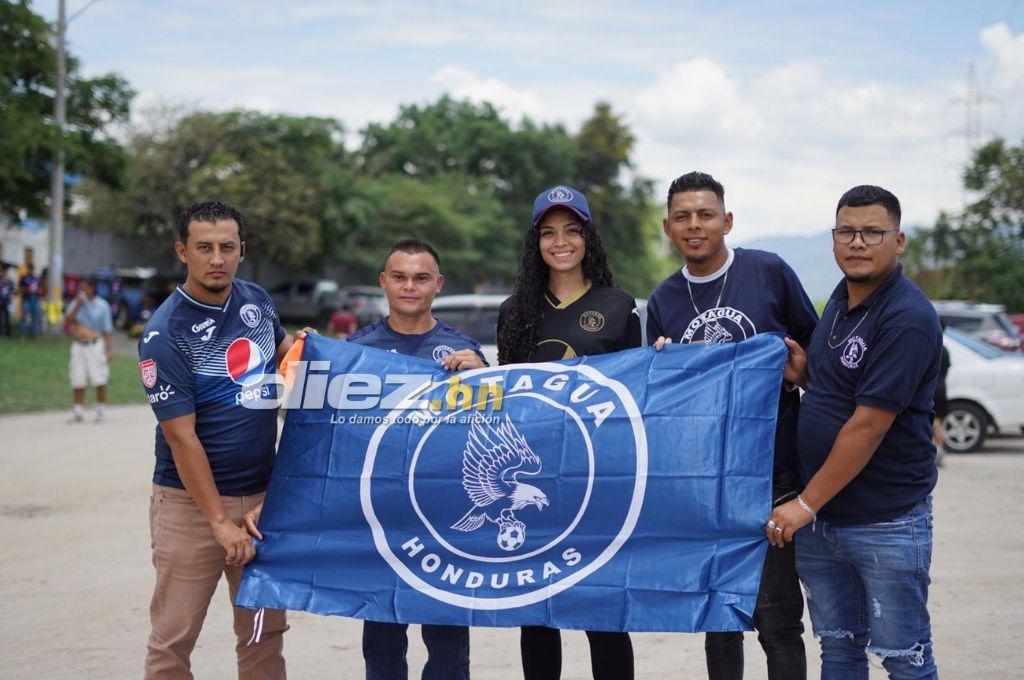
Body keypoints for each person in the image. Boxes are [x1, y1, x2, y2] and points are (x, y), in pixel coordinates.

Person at [246, 238, 485, 680]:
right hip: (376, 522)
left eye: (420, 278)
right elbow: (317, 435)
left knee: (450, 647)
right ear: (383, 282)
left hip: (442, 521)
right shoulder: (354, 350)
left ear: (438, 284)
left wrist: (484, 377)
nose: (409, 286)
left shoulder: (466, 350)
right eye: (399, 277)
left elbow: (487, 430)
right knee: (382, 646)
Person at [647, 172, 815, 680]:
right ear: (668, 227)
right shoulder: (664, 300)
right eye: (682, 217)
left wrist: (802, 372)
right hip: (704, 482)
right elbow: (663, 402)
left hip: (773, 473)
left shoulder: (768, 271)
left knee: (777, 618)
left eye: (705, 214)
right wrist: (663, 369)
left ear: (727, 220)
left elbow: (814, 352)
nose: (694, 225)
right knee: (719, 618)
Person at [770, 185, 941, 679]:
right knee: (840, 650)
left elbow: (867, 427)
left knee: (904, 657)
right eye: (847, 231)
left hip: (885, 520)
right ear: (833, 239)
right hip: (827, 522)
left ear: (899, 240)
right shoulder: (841, 302)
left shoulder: (906, 317)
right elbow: (840, 392)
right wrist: (805, 375)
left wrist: (804, 504)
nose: (858, 242)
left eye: (872, 232)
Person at [138, 200, 291, 679]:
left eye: (227, 247)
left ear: (242, 250)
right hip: (191, 507)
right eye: (204, 248)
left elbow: (288, 356)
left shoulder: (256, 300)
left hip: (263, 504)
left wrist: (312, 348)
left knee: (263, 636)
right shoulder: (165, 333)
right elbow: (182, 440)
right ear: (183, 251)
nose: (217, 258)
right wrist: (220, 523)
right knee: (173, 640)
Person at [497, 185, 641, 680]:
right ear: (535, 242)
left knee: (603, 611)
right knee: (538, 609)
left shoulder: (620, 307)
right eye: (549, 232)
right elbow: (507, 396)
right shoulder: (514, 310)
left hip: (596, 478)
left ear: (588, 238)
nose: (561, 242)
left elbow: (634, 400)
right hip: (534, 478)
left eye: (572, 231)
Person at [64, 277, 114, 423]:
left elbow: (107, 330)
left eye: (84, 287)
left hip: (95, 345)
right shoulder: (76, 303)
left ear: (92, 288)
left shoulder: (102, 306)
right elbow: (67, 321)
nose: (81, 290)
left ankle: (100, 409)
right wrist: (77, 305)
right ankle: (78, 410)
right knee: (77, 377)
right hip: (78, 345)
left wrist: (108, 350)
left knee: (99, 377)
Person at [932, 321, 950, 467]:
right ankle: (938, 448)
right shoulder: (945, 349)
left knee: (935, 422)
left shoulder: (932, 346)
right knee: (938, 422)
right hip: (943, 387)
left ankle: (940, 449)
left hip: (933, 388)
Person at [19, 263, 42, 339]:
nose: (30, 271)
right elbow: (21, 289)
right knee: (24, 317)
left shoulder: (36, 278)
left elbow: (40, 289)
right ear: (28, 269)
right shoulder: (24, 278)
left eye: (32, 269)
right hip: (27, 299)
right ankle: (22, 335)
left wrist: (38, 291)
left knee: (35, 317)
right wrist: (28, 290)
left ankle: (34, 335)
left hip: (35, 299)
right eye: (29, 269)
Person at [0, 267, 12, 337]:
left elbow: (12, 291)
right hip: (0, 301)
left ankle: (8, 334)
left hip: (7, 302)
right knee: (0, 318)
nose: (5, 274)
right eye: (4, 273)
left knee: (7, 318)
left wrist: (11, 299)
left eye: (6, 273)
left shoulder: (10, 282)